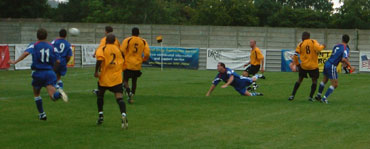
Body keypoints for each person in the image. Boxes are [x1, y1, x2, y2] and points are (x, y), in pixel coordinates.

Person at [8, 28, 68, 120]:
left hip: (38, 73)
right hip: (49, 73)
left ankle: (42, 114)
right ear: (46, 36)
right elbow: (58, 60)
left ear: (37, 36)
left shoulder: (34, 45)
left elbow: (25, 53)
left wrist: (15, 61)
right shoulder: (52, 46)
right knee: (52, 96)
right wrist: (53, 70)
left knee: (36, 94)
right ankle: (58, 94)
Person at [94, 34, 128, 129]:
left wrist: (96, 71)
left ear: (106, 40)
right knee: (119, 98)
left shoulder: (103, 48)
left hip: (104, 78)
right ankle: (123, 114)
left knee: (100, 95)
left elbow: (99, 59)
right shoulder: (119, 50)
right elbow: (124, 64)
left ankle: (100, 115)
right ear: (114, 41)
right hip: (116, 78)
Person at [315, 35, 353, 104]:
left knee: (325, 80)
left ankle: (318, 95)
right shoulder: (345, 48)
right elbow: (343, 59)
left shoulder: (336, 46)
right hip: (332, 65)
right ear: (348, 41)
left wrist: (344, 63)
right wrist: (350, 66)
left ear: (342, 39)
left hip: (327, 63)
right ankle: (324, 98)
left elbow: (337, 57)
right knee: (335, 84)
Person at [288, 32, 325, 101]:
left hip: (304, 66)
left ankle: (292, 95)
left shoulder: (301, 44)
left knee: (299, 80)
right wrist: (323, 46)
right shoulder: (313, 41)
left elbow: (295, 55)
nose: (302, 38)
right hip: (313, 66)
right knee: (314, 81)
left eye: (302, 36)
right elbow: (319, 49)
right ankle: (310, 97)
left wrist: (297, 64)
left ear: (304, 37)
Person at [120, 27, 150, 104]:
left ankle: (128, 91)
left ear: (132, 32)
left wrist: (123, 58)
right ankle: (132, 95)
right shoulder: (143, 41)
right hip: (137, 64)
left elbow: (122, 50)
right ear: (138, 33)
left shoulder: (128, 40)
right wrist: (143, 59)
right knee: (134, 80)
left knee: (125, 80)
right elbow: (147, 53)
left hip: (128, 64)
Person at [93, 26, 120, 94]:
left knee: (102, 75)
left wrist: (96, 53)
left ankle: (101, 91)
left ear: (106, 31)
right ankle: (117, 89)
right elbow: (119, 49)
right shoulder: (116, 40)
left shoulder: (104, 39)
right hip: (115, 62)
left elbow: (101, 47)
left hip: (106, 60)